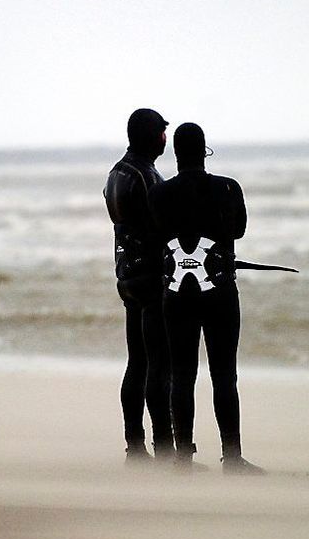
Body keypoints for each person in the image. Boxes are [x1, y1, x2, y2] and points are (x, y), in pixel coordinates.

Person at [148, 122, 264, 474]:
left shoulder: (159, 194)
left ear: (175, 153)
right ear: (204, 150)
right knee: (224, 375)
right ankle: (232, 457)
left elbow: (156, 236)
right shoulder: (228, 187)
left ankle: (184, 458)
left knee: (182, 376)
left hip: (176, 294)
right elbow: (239, 231)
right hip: (220, 293)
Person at [104, 108, 173, 463]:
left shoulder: (116, 173)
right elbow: (160, 228)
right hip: (149, 278)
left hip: (127, 275)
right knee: (159, 365)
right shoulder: (146, 176)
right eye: (162, 131)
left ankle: (134, 445)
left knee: (137, 362)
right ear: (151, 135)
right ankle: (164, 449)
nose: (166, 138)